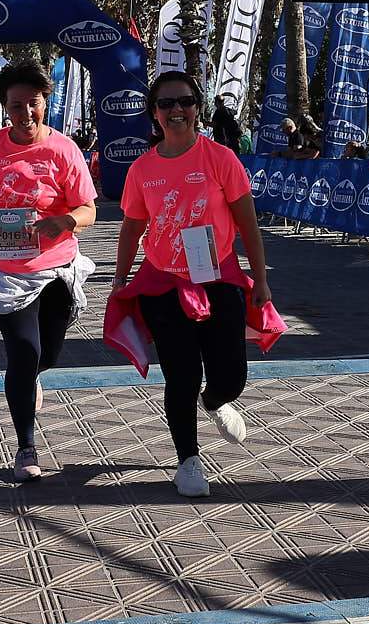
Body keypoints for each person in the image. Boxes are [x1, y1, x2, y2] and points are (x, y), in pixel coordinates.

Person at [108, 72, 277, 498]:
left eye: (184, 101)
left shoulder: (220, 158)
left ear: (198, 108)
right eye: (166, 104)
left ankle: (216, 400)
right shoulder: (143, 168)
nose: (176, 110)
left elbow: (247, 223)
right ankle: (188, 461)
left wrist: (260, 277)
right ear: (154, 112)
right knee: (181, 375)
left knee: (231, 375)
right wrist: (119, 278)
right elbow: (132, 227)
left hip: (219, 278)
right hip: (163, 285)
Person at [0, 62, 97, 483]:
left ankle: (30, 379)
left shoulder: (64, 150)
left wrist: (64, 221)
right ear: (4, 108)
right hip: (3, 270)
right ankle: (25, 446)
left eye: (33, 104)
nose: (25, 113)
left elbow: (89, 209)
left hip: (55, 268)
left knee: (47, 354)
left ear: (44, 103)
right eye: (16, 106)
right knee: (23, 353)